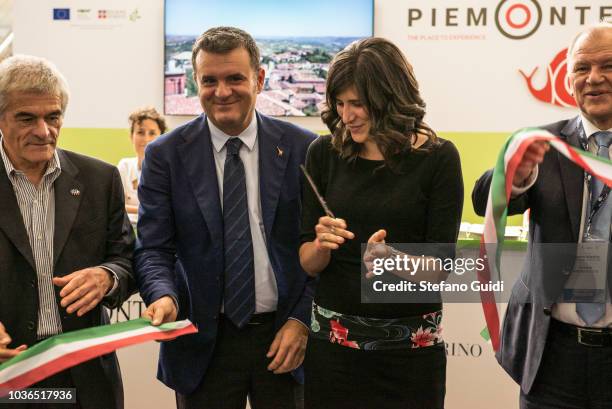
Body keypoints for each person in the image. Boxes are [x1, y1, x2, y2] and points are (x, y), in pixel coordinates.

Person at [134, 26, 317, 409]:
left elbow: (322, 253)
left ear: (259, 79)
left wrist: (301, 321)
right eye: (209, 81)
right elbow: (153, 248)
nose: (222, 92)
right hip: (201, 344)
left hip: (285, 340)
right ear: (194, 83)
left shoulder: (304, 148)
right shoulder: (164, 156)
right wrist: (162, 295)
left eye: (235, 78)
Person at [299, 37, 464, 409]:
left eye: (358, 104)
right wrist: (321, 244)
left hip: (409, 357)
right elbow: (308, 263)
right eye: (339, 104)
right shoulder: (322, 154)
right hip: (332, 353)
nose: (347, 115)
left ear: (391, 98)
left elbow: (442, 268)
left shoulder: (437, 158)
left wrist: (391, 259)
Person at [472, 22, 612, 409]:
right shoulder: (541, 144)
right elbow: (483, 199)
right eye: (582, 68)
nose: (594, 79)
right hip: (553, 356)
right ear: (568, 80)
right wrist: (514, 176)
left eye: (608, 66)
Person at [0, 55, 135, 409]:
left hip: (86, 377)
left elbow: (127, 258)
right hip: (9, 373)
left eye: (53, 117)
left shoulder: (100, 180)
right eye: (26, 118)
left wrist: (107, 276)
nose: (44, 131)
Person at [117, 106, 167, 216]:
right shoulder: (124, 167)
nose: (146, 139)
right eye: (140, 132)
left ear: (162, 138)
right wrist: (147, 210)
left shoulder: (169, 171)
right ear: (131, 136)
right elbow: (116, 206)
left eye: (152, 133)